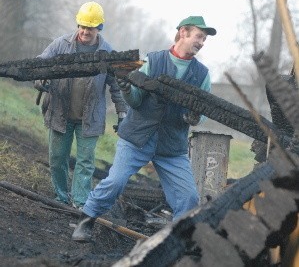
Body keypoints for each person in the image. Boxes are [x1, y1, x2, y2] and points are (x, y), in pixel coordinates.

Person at [72, 15, 217, 242]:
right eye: (199, 36)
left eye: (204, 39)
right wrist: (127, 90)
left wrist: (195, 116)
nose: (201, 42)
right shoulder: (154, 61)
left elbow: (204, 111)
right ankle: (86, 219)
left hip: (171, 145)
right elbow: (137, 101)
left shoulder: (202, 74)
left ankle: (176, 241)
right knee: (116, 181)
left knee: (188, 197)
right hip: (137, 137)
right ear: (183, 33)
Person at [34, 1, 128, 209]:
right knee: (58, 158)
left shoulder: (107, 53)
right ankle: (60, 197)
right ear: (78, 25)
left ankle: (79, 201)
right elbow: (39, 64)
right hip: (60, 112)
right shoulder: (61, 45)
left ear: (99, 28)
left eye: (91, 27)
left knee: (85, 162)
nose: (85, 31)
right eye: (83, 26)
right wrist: (41, 79)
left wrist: (122, 113)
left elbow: (117, 85)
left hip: (90, 117)